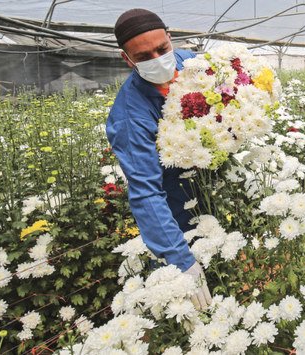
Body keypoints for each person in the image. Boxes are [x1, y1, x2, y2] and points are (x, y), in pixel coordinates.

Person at [107, 8, 212, 310]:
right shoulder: (130, 116)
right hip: (176, 209)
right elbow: (146, 193)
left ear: (170, 38)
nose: (157, 59)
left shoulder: (189, 63)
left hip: (212, 184)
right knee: (187, 299)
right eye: (143, 56)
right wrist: (180, 260)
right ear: (126, 60)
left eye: (162, 49)